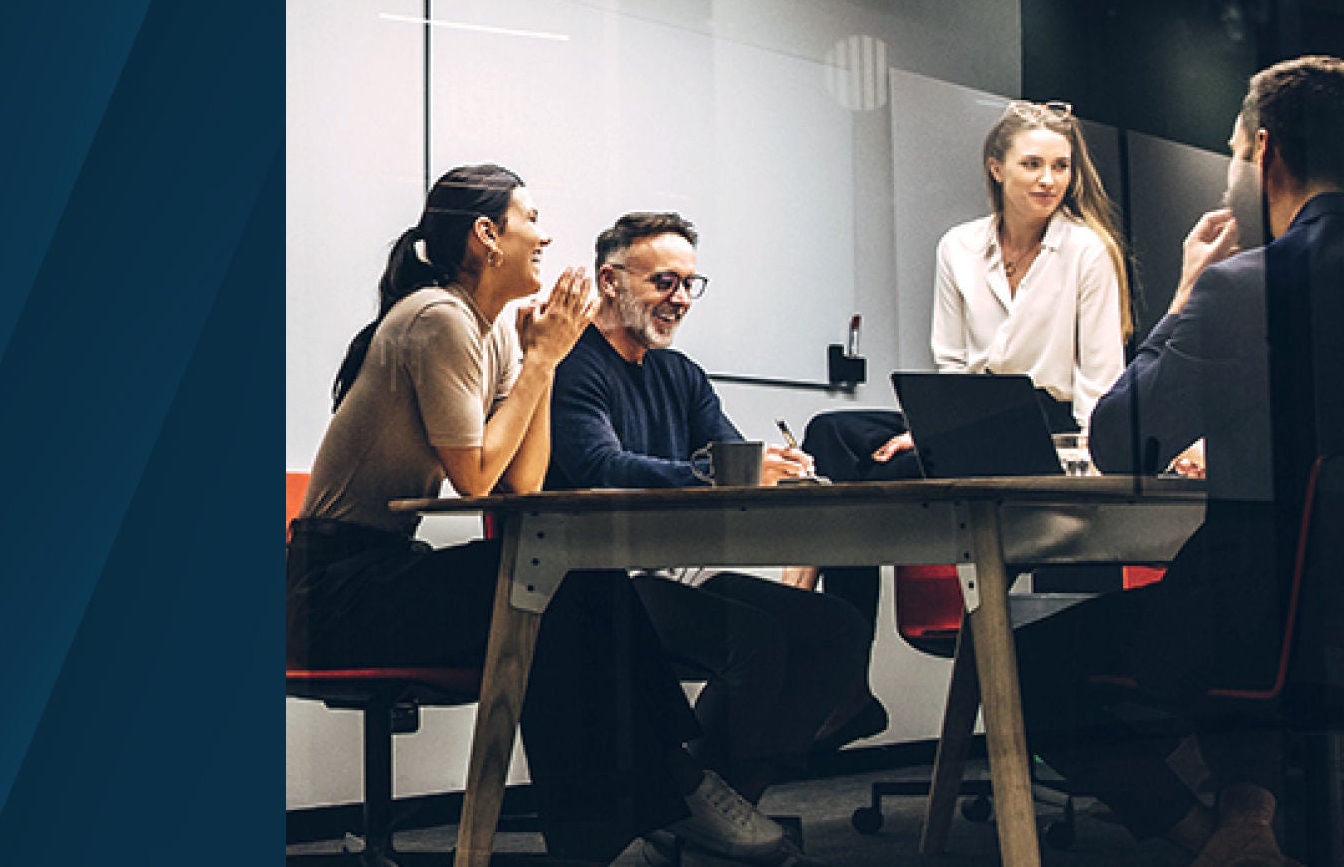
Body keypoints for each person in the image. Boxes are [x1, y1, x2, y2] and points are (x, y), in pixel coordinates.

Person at [1016, 56, 1344, 865]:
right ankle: (1256, 820)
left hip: (1270, 633)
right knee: (1250, 588)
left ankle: (1220, 844)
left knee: (1031, 668)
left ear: (1264, 152)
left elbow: (1120, 439)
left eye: (1234, 151)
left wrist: (1187, 290)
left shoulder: (1247, 288)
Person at [286, 166, 791, 865]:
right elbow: (475, 480)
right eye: (530, 217)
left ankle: (633, 817)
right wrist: (547, 358)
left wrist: (539, 364)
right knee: (558, 585)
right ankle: (669, 791)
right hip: (331, 593)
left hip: (381, 571)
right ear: (487, 236)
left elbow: (519, 484)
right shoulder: (438, 319)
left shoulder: (488, 332)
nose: (545, 233)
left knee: (564, 582)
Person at [545, 211, 885, 817]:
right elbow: (603, 466)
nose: (679, 299)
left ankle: (723, 799)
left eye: (689, 284)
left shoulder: (681, 373)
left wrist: (781, 472)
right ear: (610, 281)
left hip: (669, 574)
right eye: (663, 282)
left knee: (837, 626)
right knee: (754, 641)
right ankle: (699, 808)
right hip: (593, 587)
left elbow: (732, 460)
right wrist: (734, 471)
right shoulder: (573, 366)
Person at [791, 99, 1131, 636]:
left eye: (1060, 166)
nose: (1049, 180)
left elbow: (1100, 375)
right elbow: (949, 361)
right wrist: (927, 430)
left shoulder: (1088, 250)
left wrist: (1090, 463)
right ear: (996, 167)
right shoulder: (960, 246)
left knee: (862, 487)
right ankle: (843, 659)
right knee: (830, 432)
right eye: (1032, 164)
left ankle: (811, 604)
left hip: (1047, 423)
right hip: (968, 415)